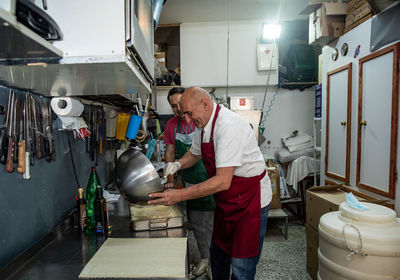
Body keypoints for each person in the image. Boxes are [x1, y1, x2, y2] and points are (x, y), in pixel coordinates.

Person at [150, 87, 272, 280]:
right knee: (219, 254)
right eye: (184, 115)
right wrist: (176, 164)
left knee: (241, 264)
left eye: (189, 114)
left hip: (250, 201)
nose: (188, 121)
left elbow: (223, 181)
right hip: (228, 200)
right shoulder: (203, 125)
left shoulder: (228, 126)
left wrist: (178, 195)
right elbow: (194, 154)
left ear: (205, 104)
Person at [163, 87, 215, 277]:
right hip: (190, 181)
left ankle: (217, 264)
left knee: (216, 226)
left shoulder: (200, 119)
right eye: (174, 106)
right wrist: (170, 176)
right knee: (198, 223)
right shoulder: (171, 125)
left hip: (211, 179)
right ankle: (205, 259)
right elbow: (170, 152)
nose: (178, 109)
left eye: (180, 104)